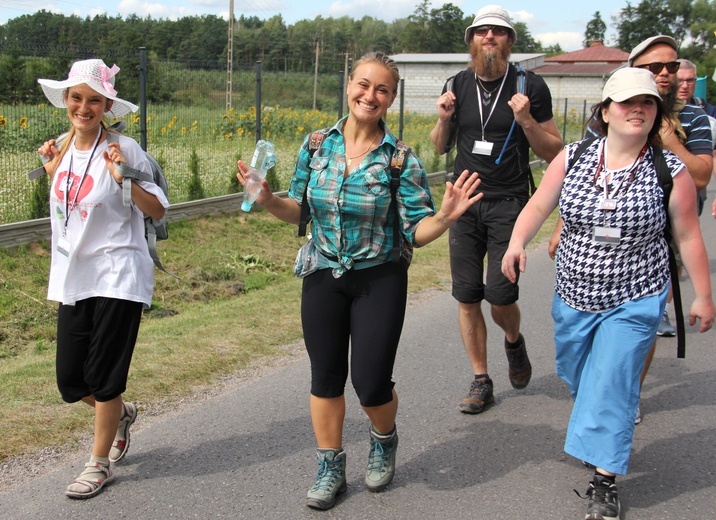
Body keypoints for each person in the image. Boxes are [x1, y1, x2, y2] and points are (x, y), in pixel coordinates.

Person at [236, 52, 482, 510]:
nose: (370, 95)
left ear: (392, 98)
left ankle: (383, 438)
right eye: (363, 85)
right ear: (348, 85)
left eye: (382, 89)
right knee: (325, 376)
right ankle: (330, 465)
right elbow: (300, 209)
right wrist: (268, 200)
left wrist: (445, 217)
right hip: (323, 273)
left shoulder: (400, 159)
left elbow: (417, 231)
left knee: (370, 383)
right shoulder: (315, 145)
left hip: (379, 278)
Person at [501, 67, 714, 520]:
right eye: (626, 102)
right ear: (606, 110)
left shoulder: (668, 170)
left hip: (636, 296)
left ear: (656, 113)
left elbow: (689, 236)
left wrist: (703, 295)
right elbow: (539, 203)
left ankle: (604, 482)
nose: (637, 109)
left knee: (614, 382)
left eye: (647, 103)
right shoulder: (573, 157)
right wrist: (517, 243)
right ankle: (596, 423)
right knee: (577, 374)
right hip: (575, 293)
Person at [36, 59, 169, 499]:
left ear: (108, 104)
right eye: (77, 97)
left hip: (119, 271)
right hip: (74, 275)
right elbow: (67, 207)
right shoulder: (58, 147)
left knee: (104, 376)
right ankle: (121, 414)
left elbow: (159, 210)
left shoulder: (125, 148)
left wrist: (124, 178)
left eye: (94, 99)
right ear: (66, 101)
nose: (84, 106)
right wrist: (53, 171)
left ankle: (98, 463)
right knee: (72, 382)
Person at [429, 5, 562, 414]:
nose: (489, 37)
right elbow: (439, 146)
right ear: (470, 40)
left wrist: (526, 121)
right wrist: (444, 119)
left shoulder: (530, 85)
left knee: (500, 296)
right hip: (463, 203)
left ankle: (514, 342)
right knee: (468, 297)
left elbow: (555, 151)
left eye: (498, 32)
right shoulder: (457, 83)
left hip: (510, 202)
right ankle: (481, 379)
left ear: (510, 41)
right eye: (481, 31)